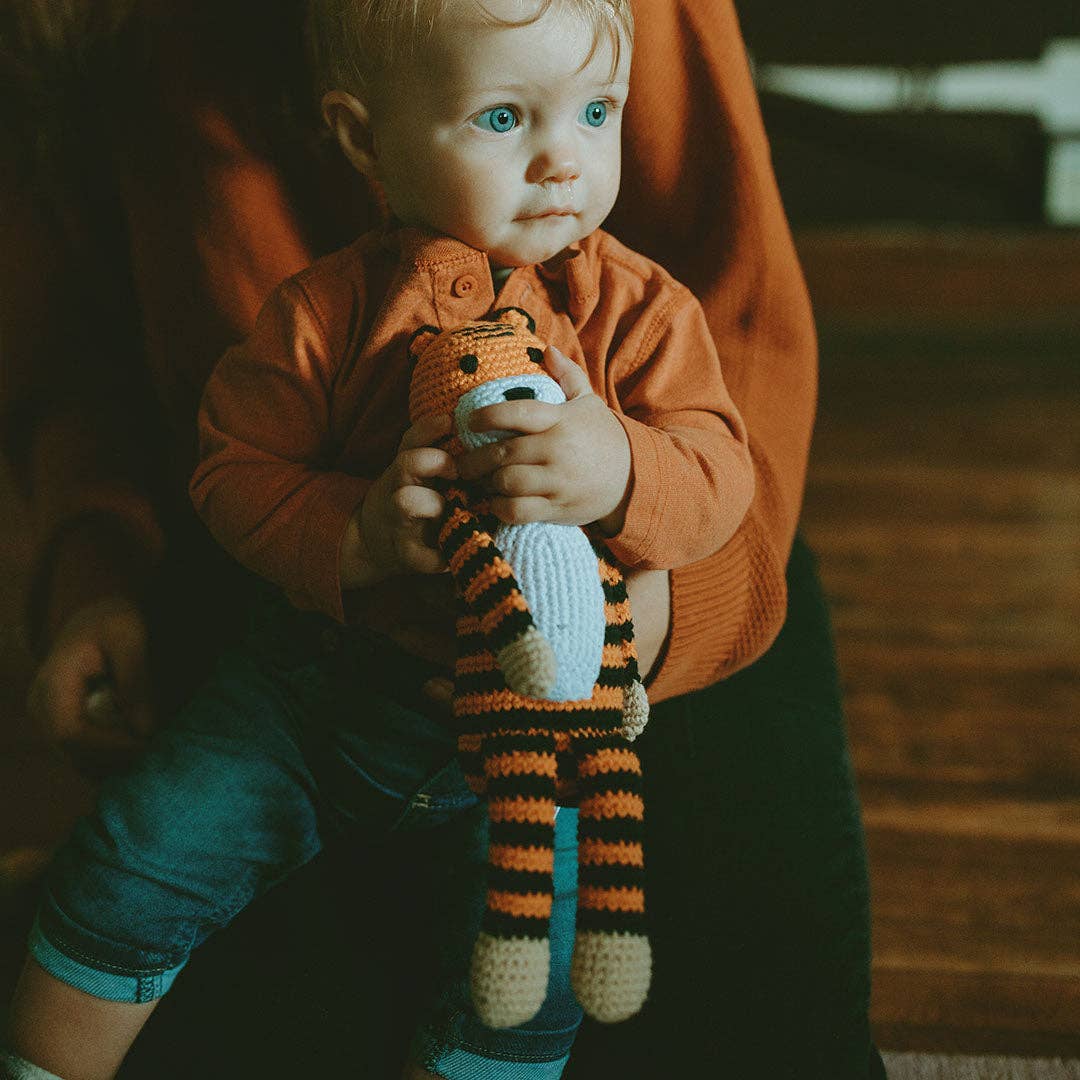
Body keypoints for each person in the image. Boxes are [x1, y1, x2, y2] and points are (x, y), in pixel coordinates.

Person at [0, 1, 885, 1078]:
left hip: (609, 652)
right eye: (506, 117)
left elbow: (727, 425)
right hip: (313, 656)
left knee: (681, 1011)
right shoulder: (316, 311)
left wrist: (632, 523)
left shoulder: (642, 308)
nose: (564, 161)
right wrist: (113, 565)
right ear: (362, 135)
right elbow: (179, 425)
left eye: (597, 110)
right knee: (157, 907)